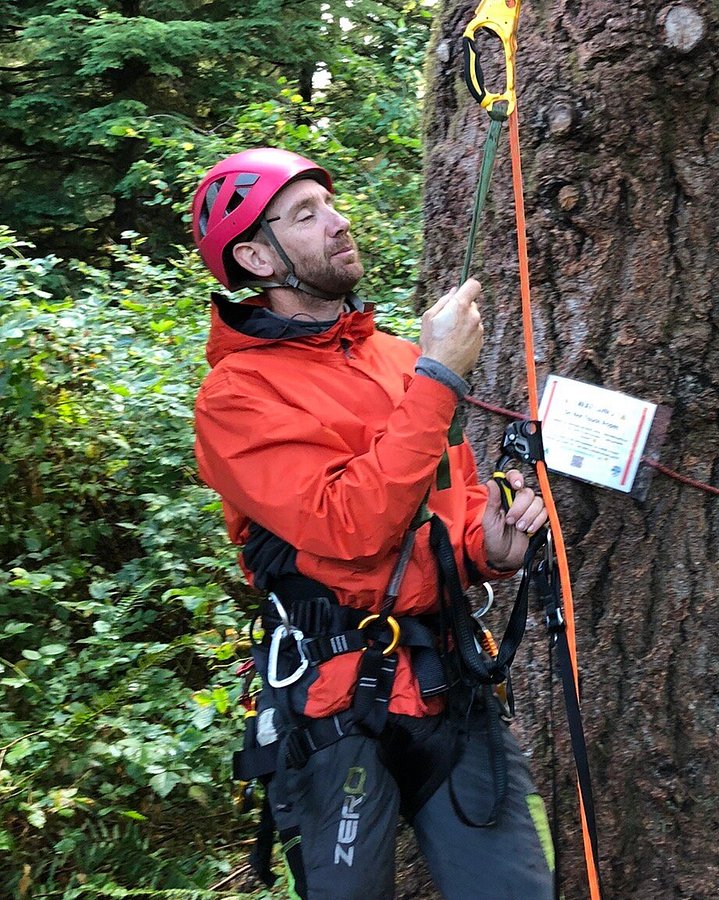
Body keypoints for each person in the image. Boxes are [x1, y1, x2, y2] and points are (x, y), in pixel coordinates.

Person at [191, 147, 556, 899]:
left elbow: (442, 508)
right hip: (333, 701)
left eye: (330, 203)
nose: (338, 221)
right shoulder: (236, 397)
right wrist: (440, 377)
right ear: (257, 257)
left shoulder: (397, 358)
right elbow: (348, 525)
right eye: (305, 215)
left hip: (450, 683)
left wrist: (491, 543)